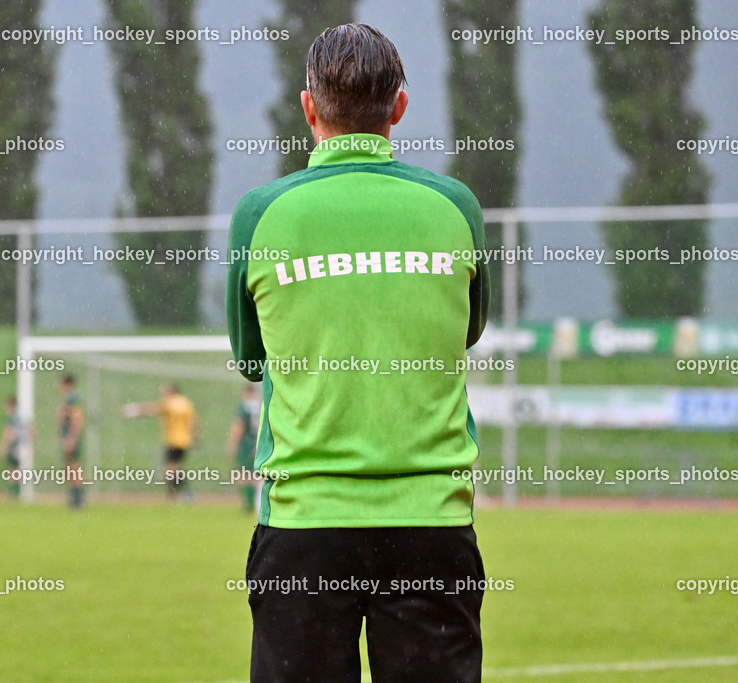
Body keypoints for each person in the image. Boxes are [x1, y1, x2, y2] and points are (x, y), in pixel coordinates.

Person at [226, 24, 490, 682]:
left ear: (308, 107)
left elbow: (252, 357)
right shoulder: (454, 206)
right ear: (398, 107)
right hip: (431, 523)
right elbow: (467, 330)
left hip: (305, 522)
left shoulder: (260, 213)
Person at [122, 383, 199, 501]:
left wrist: (134, 410)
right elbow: (193, 420)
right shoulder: (186, 403)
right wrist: (195, 435)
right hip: (184, 440)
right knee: (173, 467)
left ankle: (181, 493)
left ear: (171, 392)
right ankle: (178, 493)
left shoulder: (170, 403)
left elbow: (152, 410)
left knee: (171, 468)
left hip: (174, 440)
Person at [225, 383, 261, 514]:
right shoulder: (260, 405)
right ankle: (255, 503)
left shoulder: (244, 407)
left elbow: (239, 427)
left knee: (243, 474)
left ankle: (249, 504)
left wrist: (232, 445)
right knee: (255, 475)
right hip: (259, 443)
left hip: (246, 444)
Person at [57, 374, 85, 509]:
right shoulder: (68, 398)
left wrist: (72, 438)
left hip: (71, 438)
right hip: (68, 437)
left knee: (74, 467)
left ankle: (77, 500)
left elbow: (77, 417)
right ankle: (74, 498)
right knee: (70, 467)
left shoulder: (73, 398)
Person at [0, 396, 25, 500]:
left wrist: (3, 446)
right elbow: (30, 431)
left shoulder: (11, 418)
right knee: (16, 469)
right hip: (20, 446)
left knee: (12, 469)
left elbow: (8, 432)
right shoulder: (21, 418)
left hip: (13, 446)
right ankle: (16, 492)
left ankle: (12, 493)